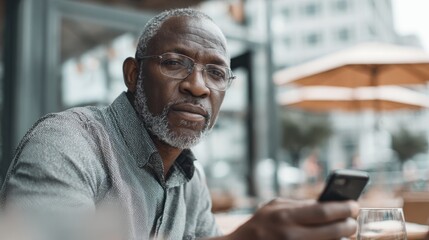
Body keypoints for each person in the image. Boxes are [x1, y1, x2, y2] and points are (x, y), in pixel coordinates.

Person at [0, 8, 359, 240]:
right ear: (132, 74)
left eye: (216, 73)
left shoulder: (189, 177)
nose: (198, 85)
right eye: (174, 63)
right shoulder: (68, 143)